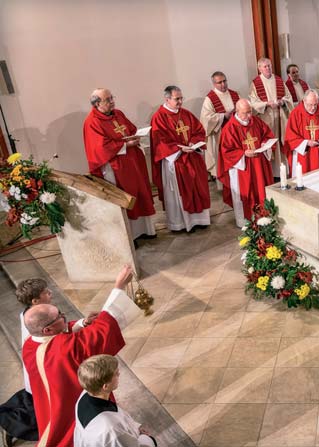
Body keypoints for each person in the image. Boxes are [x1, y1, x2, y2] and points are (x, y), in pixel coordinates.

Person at [22, 266, 139, 447]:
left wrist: (82, 323)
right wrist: (119, 287)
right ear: (48, 329)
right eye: (59, 316)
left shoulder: (31, 344)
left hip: (53, 403)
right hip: (72, 407)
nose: (64, 316)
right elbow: (102, 331)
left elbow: (59, 332)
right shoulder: (64, 348)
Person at [0, 280, 95, 446]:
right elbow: (55, 339)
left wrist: (80, 323)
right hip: (42, 367)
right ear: (35, 301)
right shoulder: (37, 319)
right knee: (42, 412)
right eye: (45, 291)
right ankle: (10, 427)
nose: (50, 292)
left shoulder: (32, 314)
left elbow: (60, 331)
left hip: (41, 363)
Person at [83, 88, 156, 241]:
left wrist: (135, 137)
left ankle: (145, 230)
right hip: (114, 168)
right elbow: (100, 148)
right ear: (97, 104)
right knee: (124, 198)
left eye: (112, 98)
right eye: (108, 100)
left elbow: (131, 129)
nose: (112, 102)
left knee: (138, 193)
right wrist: (125, 145)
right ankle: (129, 237)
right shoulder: (92, 122)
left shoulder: (118, 114)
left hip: (132, 161)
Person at [150, 85, 211, 232]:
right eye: (177, 99)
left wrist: (193, 143)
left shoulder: (186, 114)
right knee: (179, 193)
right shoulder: (159, 117)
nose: (180, 102)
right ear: (167, 99)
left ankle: (200, 220)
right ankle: (181, 224)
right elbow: (159, 141)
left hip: (191, 157)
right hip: (175, 161)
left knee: (197, 187)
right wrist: (179, 148)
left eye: (181, 98)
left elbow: (198, 130)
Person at [74, 355, 156, 447]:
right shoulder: (110, 428)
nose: (119, 374)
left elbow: (120, 418)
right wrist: (146, 438)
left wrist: (136, 428)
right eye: (116, 374)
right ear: (105, 386)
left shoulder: (87, 394)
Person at [218, 99, 275, 228]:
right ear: (237, 112)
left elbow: (267, 135)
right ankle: (245, 221)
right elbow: (226, 152)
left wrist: (264, 143)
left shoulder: (257, 122)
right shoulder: (229, 128)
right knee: (245, 195)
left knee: (261, 190)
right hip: (242, 168)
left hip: (259, 165)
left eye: (250, 112)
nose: (249, 116)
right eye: (245, 113)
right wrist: (243, 153)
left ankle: (264, 217)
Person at [249, 57, 293, 179]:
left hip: (280, 117)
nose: (268, 68)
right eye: (265, 66)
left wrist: (282, 102)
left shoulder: (278, 80)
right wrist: (267, 104)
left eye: (269, 65)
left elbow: (288, 97)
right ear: (259, 69)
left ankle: (282, 170)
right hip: (266, 118)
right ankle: (271, 173)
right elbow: (253, 102)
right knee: (269, 143)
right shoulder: (255, 83)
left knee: (280, 142)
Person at [284, 90, 319, 173]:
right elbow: (291, 137)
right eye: (310, 105)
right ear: (304, 101)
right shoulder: (295, 114)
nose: (313, 108)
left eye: (315, 104)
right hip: (303, 154)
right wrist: (306, 142)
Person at [199, 71, 240, 180]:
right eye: (219, 82)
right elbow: (206, 119)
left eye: (224, 81)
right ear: (214, 84)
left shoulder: (234, 94)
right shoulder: (210, 99)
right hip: (220, 134)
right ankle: (224, 182)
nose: (223, 84)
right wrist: (223, 116)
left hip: (236, 133)